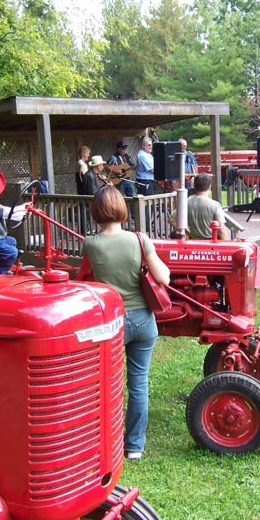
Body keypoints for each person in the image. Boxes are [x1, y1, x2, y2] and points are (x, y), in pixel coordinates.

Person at [80, 186, 171, 459]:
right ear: (122, 208)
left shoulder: (90, 244)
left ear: (96, 211)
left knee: (104, 383)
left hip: (111, 323)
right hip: (143, 321)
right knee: (139, 383)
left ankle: (101, 441)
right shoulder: (140, 240)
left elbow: (83, 277)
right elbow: (164, 278)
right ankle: (134, 446)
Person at [186, 173, 229, 240]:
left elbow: (172, 219)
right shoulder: (215, 205)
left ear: (194, 186)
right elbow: (221, 230)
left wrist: (187, 231)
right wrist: (227, 246)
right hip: (210, 243)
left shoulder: (186, 202)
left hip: (193, 241)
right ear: (209, 187)